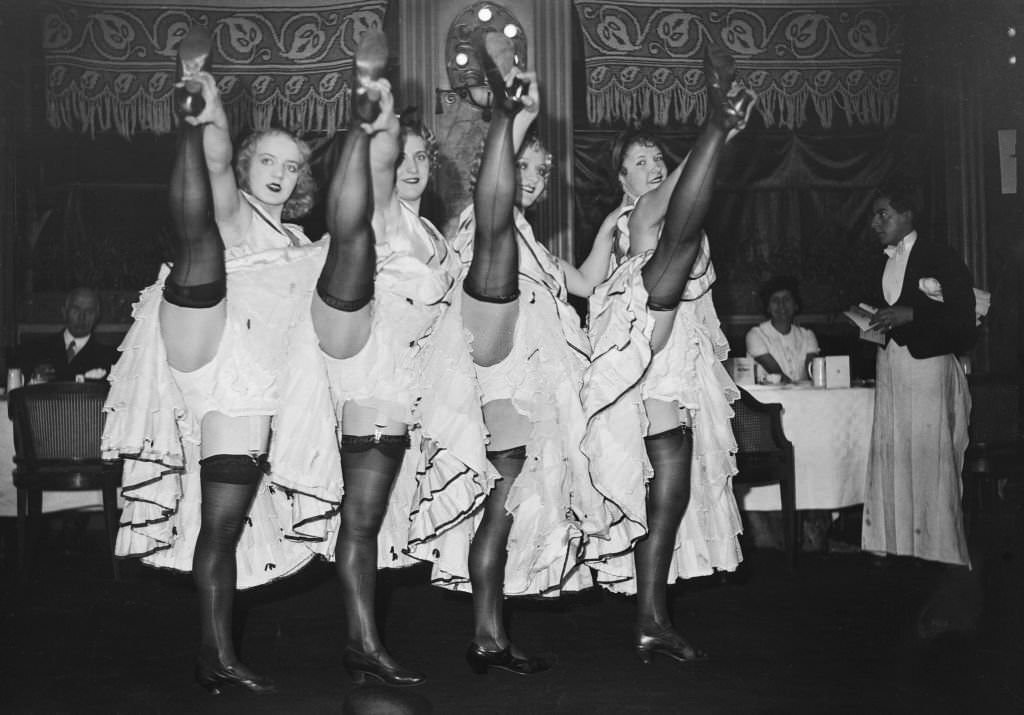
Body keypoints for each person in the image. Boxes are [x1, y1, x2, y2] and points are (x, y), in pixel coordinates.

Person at [102, 25, 335, 695]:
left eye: (292, 166)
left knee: (223, 520)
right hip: (208, 345)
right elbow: (216, 166)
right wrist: (208, 108)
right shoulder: (236, 213)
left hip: (254, 387)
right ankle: (217, 652)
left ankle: (213, 649)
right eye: (268, 160)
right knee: (200, 239)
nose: (280, 173)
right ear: (248, 162)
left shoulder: (296, 236)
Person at [417, 32, 602, 676]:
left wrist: (616, 226)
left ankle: (491, 634)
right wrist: (517, 118)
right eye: (527, 165)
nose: (539, 177)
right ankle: (486, 635)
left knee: (503, 508)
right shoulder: (482, 220)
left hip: (520, 382)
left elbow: (582, 284)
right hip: (495, 372)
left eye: (545, 170)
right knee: (498, 509)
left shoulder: (537, 243)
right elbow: (492, 212)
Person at [310, 31, 489, 687]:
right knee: (361, 514)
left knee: (375, 514)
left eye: (423, 156)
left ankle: (364, 638)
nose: (414, 166)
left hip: (413, 382)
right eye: (404, 156)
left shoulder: (432, 230)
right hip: (374, 371)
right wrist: (374, 124)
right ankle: (360, 641)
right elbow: (359, 197)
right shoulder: (384, 213)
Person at [581, 46, 755, 663]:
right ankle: (650, 617)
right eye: (639, 161)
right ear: (621, 178)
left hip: (677, 353)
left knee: (672, 493)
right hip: (643, 345)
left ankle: (651, 615)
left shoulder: (668, 209)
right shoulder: (636, 214)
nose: (651, 166)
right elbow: (592, 281)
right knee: (663, 492)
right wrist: (714, 133)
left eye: (658, 158)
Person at [858, 181, 975, 566]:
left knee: (931, 454)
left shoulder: (939, 254)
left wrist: (913, 313)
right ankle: (894, 542)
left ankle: (938, 548)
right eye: (875, 215)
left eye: (883, 214)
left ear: (907, 215)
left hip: (928, 365)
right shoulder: (880, 259)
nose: (876, 223)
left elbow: (963, 315)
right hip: (891, 365)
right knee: (893, 451)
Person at [16, 286, 118, 382]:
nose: (82, 317)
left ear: (97, 316)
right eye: (76, 310)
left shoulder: (110, 358)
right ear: (64, 312)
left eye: (89, 311)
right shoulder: (34, 350)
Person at [745, 276, 820, 383]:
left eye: (786, 299)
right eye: (775, 300)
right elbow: (777, 373)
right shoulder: (755, 335)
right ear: (768, 308)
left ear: (795, 305)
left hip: (804, 396)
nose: (781, 305)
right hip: (767, 397)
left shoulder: (808, 335)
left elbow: (813, 373)